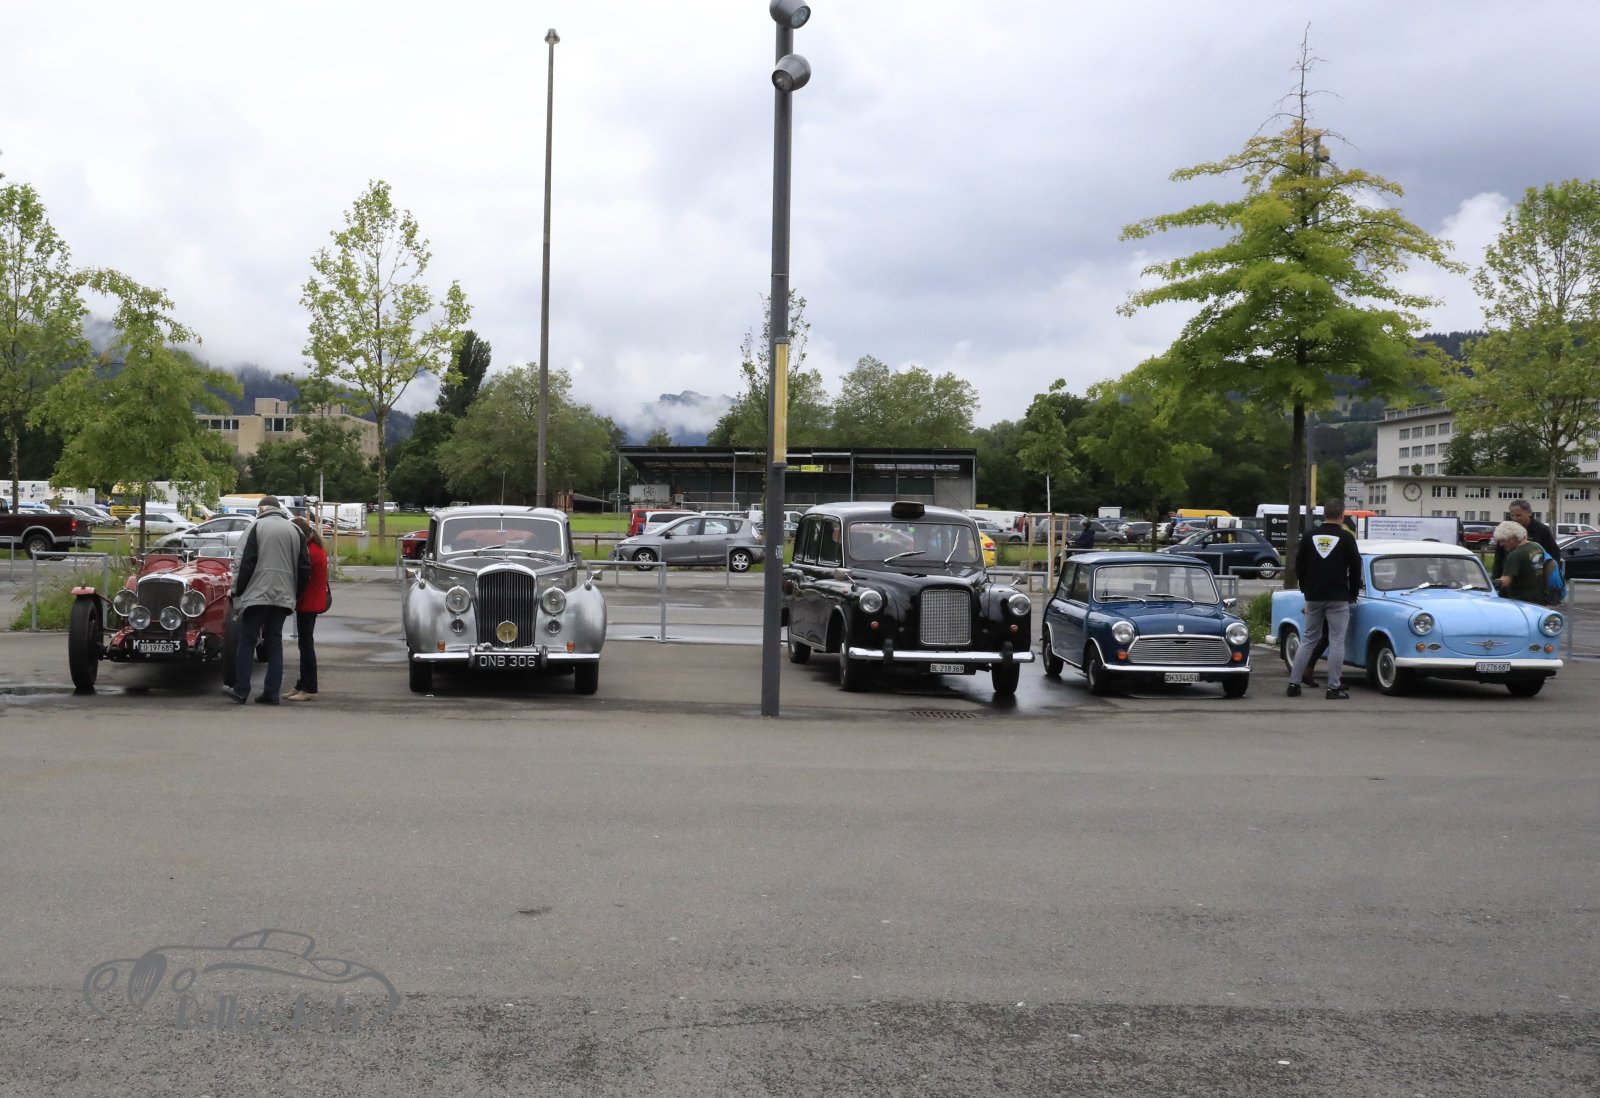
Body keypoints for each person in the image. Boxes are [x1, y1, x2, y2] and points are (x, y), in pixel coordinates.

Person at [223, 496, 310, 705]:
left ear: (261, 509)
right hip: (283, 596)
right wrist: (294, 594)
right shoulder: (295, 531)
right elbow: (304, 567)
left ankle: (241, 689)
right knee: (274, 641)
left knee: (247, 639)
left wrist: (236, 592)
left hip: (256, 594)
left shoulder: (255, 527)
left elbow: (245, 562)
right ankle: (271, 693)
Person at [1286, 499, 1363, 701]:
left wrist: (1305, 588)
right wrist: (1353, 593)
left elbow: (1299, 565)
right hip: (1338, 597)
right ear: (1342, 516)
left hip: (1313, 596)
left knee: (1309, 639)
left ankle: (1294, 683)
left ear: (1324, 515)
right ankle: (1333, 688)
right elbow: (1356, 567)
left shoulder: (1309, 536)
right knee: (1336, 641)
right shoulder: (1346, 538)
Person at [286, 516, 330, 701]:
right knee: (304, 644)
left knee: (306, 646)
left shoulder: (309, 552)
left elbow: (302, 576)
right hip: (312, 601)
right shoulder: (316, 548)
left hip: (308, 603)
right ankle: (302, 684)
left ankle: (309, 687)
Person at [1491, 500, 1561, 601]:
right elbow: (1499, 558)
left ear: (1529, 513)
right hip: (1510, 580)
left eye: (1518, 515)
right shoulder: (1506, 531)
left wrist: (1549, 577)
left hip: (1533, 583)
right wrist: (1495, 580)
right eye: (1512, 515)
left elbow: (1554, 554)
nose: (1515, 518)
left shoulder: (1541, 530)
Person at [1493, 520, 1548, 604]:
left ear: (1514, 537)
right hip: (1538, 597)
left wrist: (1487, 584)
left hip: (1520, 600)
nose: (1501, 544)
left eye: (1503, 540)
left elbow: (1505, 581)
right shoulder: (1536, 546)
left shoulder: (1515, 555)